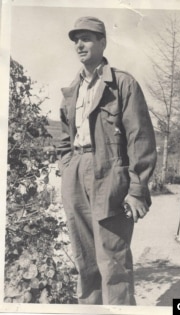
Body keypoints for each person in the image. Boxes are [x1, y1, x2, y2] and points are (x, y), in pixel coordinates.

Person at [57, 16, 157, 305]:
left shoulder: (122, 84)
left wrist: (137, 189)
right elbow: (64, 136)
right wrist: (67, 167)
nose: (79, 45)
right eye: (76, 40)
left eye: (86, 38)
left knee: (113, 262)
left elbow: (141, 139)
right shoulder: (71, 90)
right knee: (85, 261)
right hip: (76, 174)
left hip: (110, 174)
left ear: (103, 42)